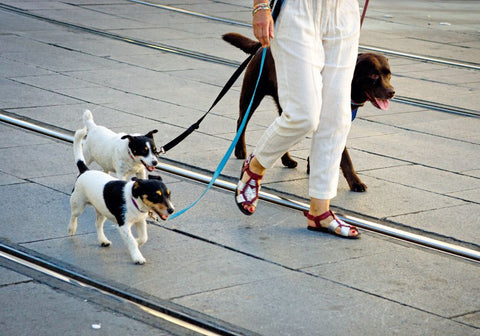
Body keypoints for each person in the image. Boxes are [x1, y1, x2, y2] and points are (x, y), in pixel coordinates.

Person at [235, 0, 361, 238]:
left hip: (344, 12)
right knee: (304, 114)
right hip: (298, 10)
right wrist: (261, 6)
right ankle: (255, 166)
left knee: (337, 116)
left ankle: (319, 211)